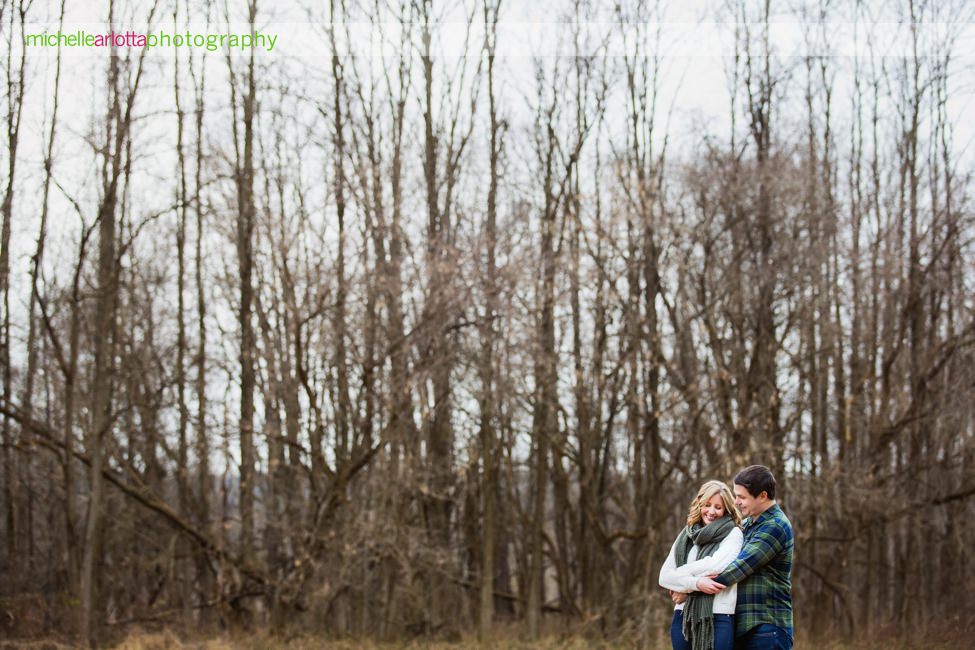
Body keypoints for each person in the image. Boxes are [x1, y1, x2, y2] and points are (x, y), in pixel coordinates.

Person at [695, 465, 794, 650]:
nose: (736, 502)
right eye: (735, 496)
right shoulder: (747, 524)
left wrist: (690, 588)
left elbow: (737, 569)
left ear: (763, 496)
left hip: (766, 627)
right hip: (742, 627)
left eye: (742, 497)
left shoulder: (775, 526)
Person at [659, 480, 744, 650]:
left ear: (726, 509)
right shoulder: (686, 535)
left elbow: (716, 565)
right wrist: (696, 583)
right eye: (707, 505)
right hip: (683, 617)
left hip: (719, 617)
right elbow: (664, 576)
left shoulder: (733, 533)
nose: (711, 511)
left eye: (718, 507)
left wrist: (681, 578)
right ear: (699, 505)